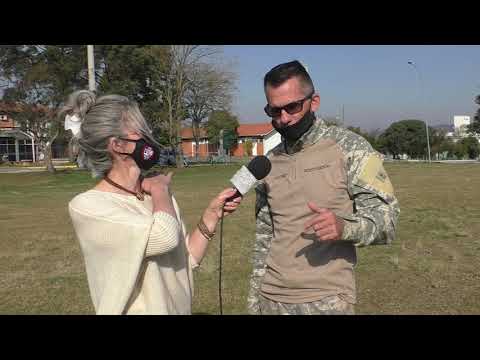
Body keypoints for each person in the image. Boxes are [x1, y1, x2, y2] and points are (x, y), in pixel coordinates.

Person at [64, 90, 241, 315]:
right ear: (118, 145)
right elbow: (164, 237)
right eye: (139, 129)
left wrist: (211, 216)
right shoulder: (89, 207)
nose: (147, 135)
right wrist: (159, 189)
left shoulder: (157, 199)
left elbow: (184, 260)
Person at [247, 60, 400, 315]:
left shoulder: (350, 148)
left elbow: (388, 223)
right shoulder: (268, 163)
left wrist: (344, 227)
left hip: (326, 301)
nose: (284, 118)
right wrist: (255, 302)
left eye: (292, 107)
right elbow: (264, 238)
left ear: (314, 102)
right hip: (270, 299)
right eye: (274, 111)